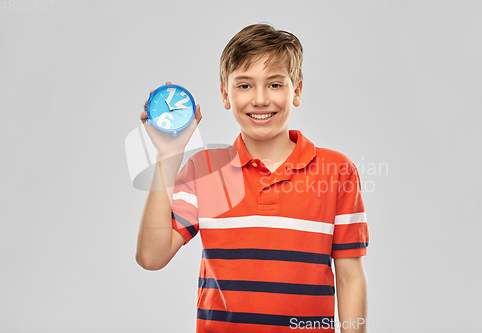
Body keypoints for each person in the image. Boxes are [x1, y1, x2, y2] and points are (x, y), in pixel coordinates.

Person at [136, 23, 369, 333]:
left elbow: (351, 276)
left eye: (274, 84)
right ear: (225, 94)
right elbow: (151, 257)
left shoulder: (337, 170)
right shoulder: (206, 170)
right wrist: (167, 156)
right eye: (244, 85)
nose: (260, 99)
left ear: (296, 90)